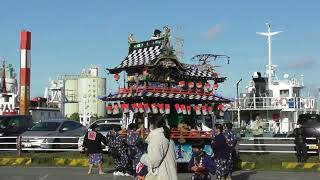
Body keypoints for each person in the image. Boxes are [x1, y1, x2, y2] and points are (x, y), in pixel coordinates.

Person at [139, 115, 178, 180]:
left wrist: (143, 158)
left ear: (151, 125)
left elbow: (154, 161)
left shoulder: (156, 139)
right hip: (170, 175)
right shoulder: (168, 139)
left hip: (161, 175)